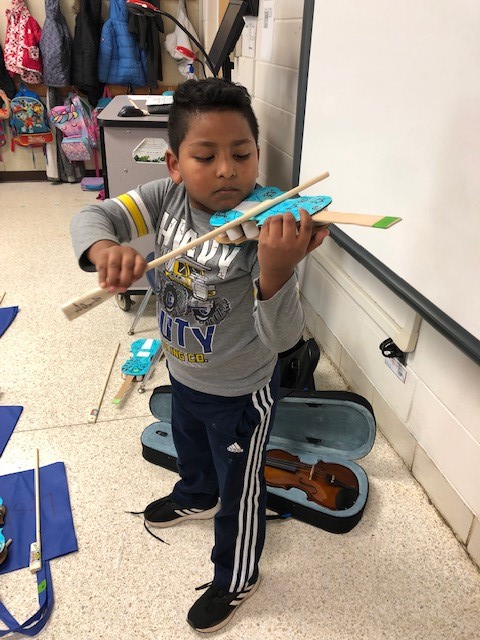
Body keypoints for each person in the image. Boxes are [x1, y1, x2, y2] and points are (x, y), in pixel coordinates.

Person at [70, 78, 329, 633]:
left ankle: (238, 576)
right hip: (182, 371)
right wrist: (105, 248)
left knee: (243, 489)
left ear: (258, 155)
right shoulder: (165, 200)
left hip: (241, 394)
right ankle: (195, 493)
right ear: (174, 163)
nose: (228, 171)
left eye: (242, 154)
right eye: (205, 157)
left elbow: (284, 339)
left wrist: (277, 271)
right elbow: (96, 219)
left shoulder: (270, 223)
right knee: (190, 448)